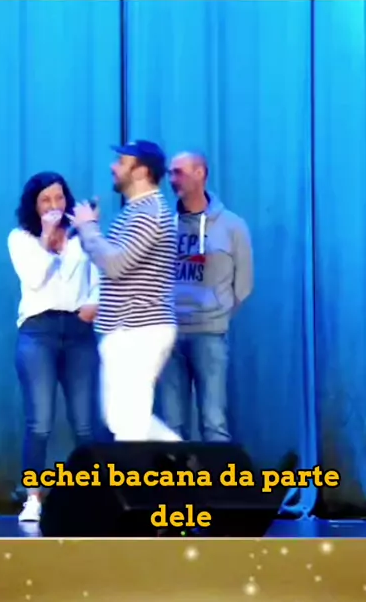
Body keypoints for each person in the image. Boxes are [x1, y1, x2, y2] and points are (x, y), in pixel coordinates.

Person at [69, 141, 180, 442]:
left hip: (139, 328)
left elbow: (115, 264)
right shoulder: (136, 211)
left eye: (121, 162)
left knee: (129, 424)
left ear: (141, 171)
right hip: (126, 329)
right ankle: (186, 460)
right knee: (120, 418)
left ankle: (180, 464)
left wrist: (88, 227)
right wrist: (87, 230)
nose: (113, 167)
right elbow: (113, 261)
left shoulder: (149, 213)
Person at [8, 171, 100, 523]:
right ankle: (33, 497)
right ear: (34, 205)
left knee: (84, 423)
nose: (54, 206)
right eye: (45, 200)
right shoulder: (21, 238)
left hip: (78, 330)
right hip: (38, 331)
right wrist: (47, 238)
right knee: (40, 422)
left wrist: (94, 302)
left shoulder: (81, 234)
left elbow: (99, 275)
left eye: (59, 198)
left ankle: (93, 498)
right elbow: (34, 278)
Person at [158, 151, 254, 441]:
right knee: (172, 426)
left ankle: (219, 473)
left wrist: (218, 314)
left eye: (179, 172)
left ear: (200, 173)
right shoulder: (163, 224)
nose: (172, 179)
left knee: (214, 422)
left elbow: (244, 284)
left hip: (209, 335)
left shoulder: (232, 226)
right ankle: (178, 472)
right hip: (169, 335)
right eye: (170, 173)